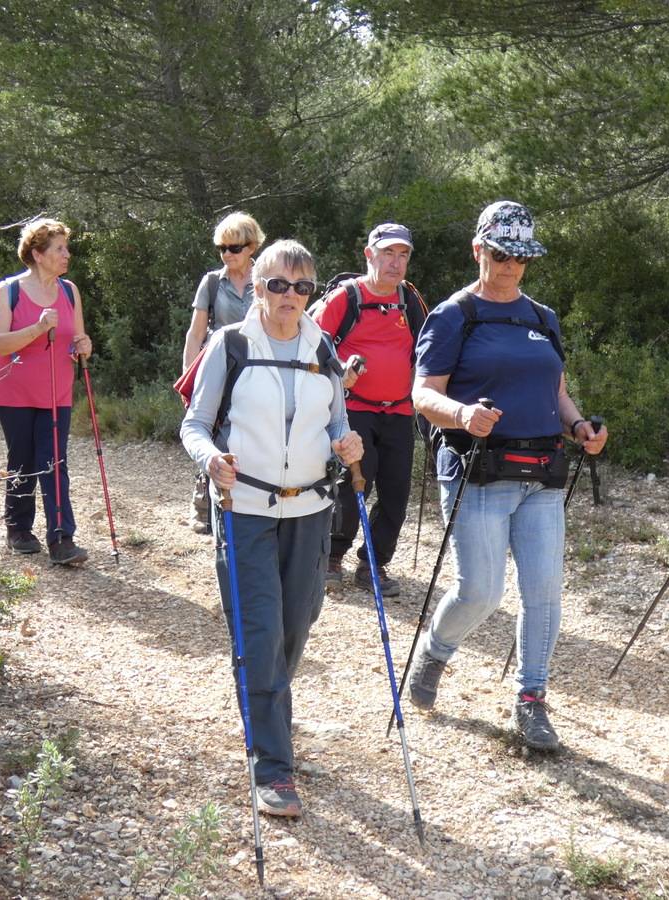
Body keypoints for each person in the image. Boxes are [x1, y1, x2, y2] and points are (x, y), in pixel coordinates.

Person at [406, 201, 607, 751]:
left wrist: (580, 427)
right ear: (478, 250)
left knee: (544, 593)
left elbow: (557, 392)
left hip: (541, 469)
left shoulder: (543, 318)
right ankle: (435, 653)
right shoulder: (453, 315)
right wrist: (463, 415)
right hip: (476, 470)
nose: (510, 266)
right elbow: (423, 393)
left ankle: (532, 700)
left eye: (520, 257)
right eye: (500, 254)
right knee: (482, 592)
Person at [181, 239, 363, 817]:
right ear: (256, 286)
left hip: (309, 509)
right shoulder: (229, 344)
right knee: (260, 632)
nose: (290, 296)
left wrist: (347, 442)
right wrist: (210, 459)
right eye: (278, 284)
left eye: (302, 286)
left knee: (297, 620)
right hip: (244, 507)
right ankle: (273, 765)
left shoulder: (322, 347)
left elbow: (337, 419)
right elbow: (195, 423)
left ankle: (265, 709)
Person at [312, 223, 423, 596]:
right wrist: (339, 374)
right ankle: (332, 558)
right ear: (369, 255)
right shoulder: (346, 298)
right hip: (351, 408)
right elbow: (309, 345)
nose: (395, 263)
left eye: (403, 254)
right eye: (388, 253)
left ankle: (373, 563)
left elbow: (425, 352)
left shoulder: (410, 300)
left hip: (399, 411)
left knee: (395, 492)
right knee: (351, 484)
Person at [0, 218, 94, 566]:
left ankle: (62, 539)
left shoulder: (69, 290)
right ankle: (18, 530)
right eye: (59, 248)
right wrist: (37, 328)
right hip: (13, 391)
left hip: (56, 391)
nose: (67, 254)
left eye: (65, 247)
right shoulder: (9, 291)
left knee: (54, 462)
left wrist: (84, 346)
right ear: (37, 254)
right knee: (22, 459)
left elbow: (76, 339)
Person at [182, 212, 266, 535]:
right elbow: (196, 332)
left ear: (252, 246)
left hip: (260, 368)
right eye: (223, 248)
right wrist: (190, 379)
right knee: (213, 432)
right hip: (222, 367)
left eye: (235, 247)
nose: (228, 254)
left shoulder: (267, 278)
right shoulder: (212, 282)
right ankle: (203, 500)